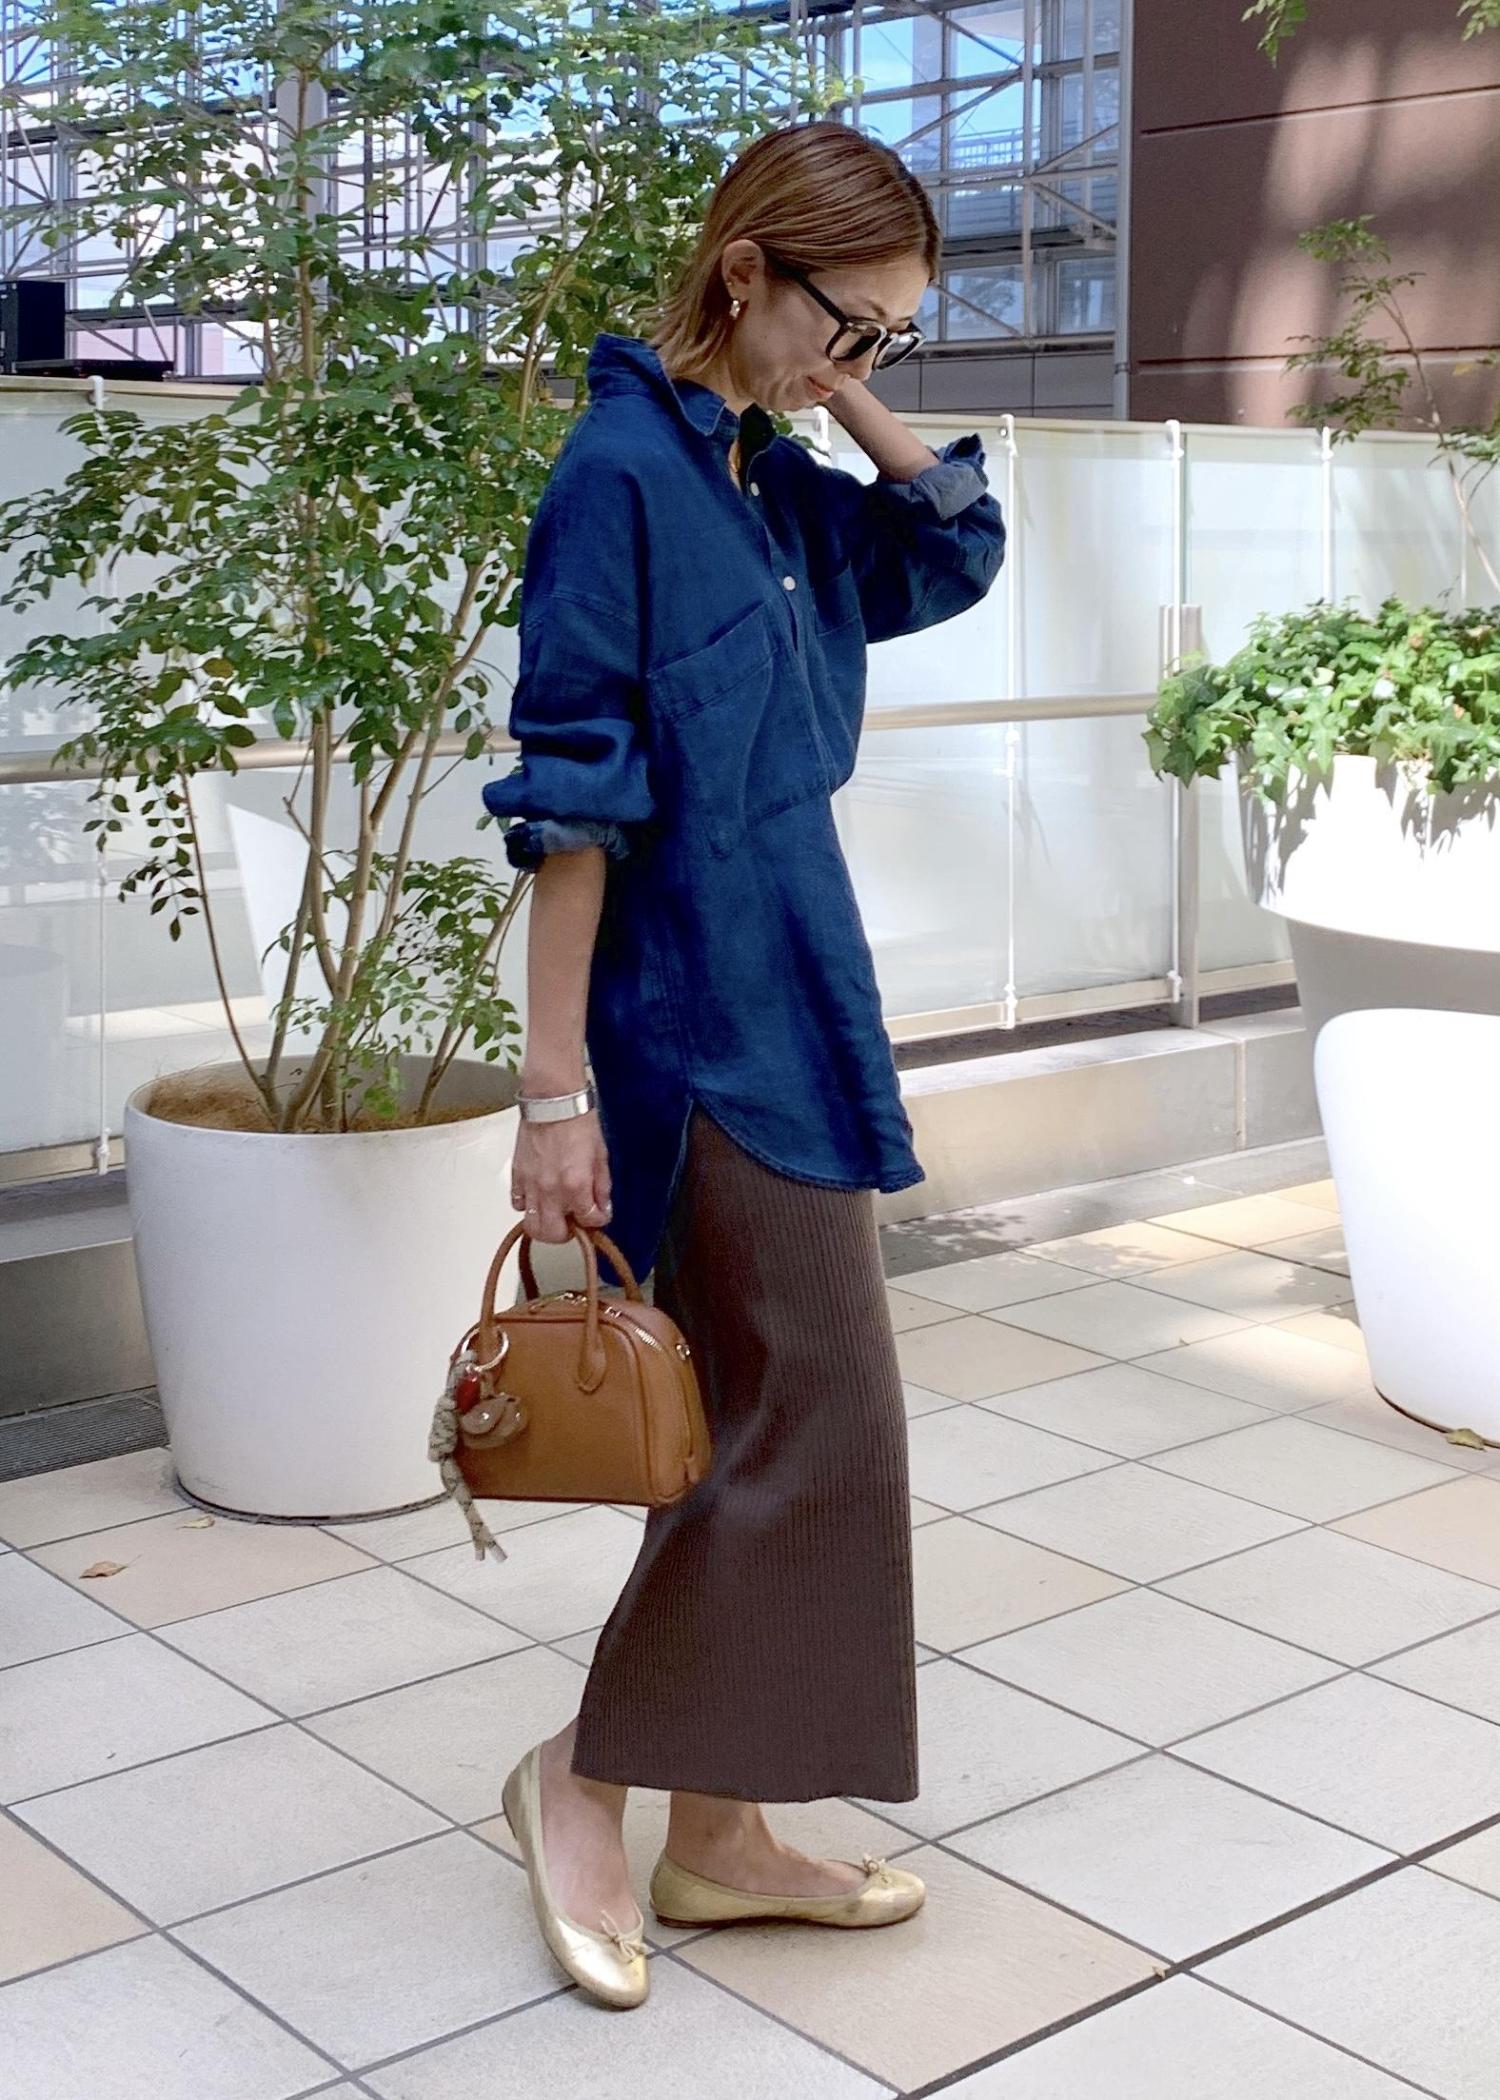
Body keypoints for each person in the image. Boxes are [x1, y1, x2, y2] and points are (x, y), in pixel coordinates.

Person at [482, 119, 1006, 2010]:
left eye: (892, 336)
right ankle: (584, 1779)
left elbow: (954, 551)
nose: (862, 361)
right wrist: (553, 1099)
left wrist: (843, 395)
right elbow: (573, 811)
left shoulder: (768, 483)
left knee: (783, 1428)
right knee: (812, 1428)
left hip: (799, 993)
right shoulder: (621, 476)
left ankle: (721, 1837)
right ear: (743, 272)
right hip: (689, 1031)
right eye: (846, 323)